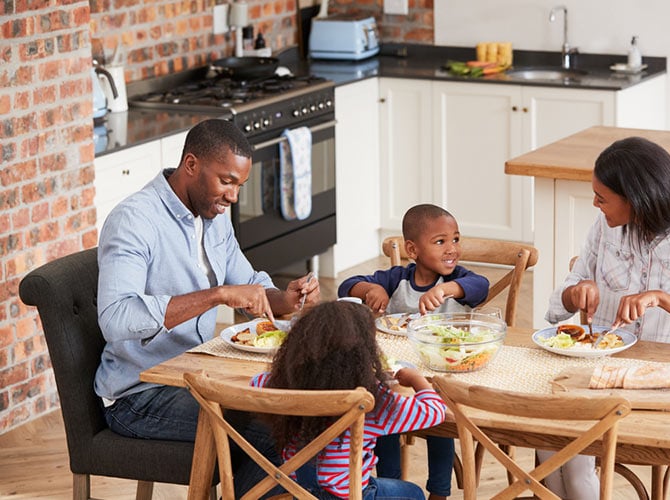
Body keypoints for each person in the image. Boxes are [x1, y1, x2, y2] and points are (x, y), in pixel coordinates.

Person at [95, 118, 320, 496]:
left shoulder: (214, 216)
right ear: (192, 165)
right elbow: (116, 319)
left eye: (239, 185)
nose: (233, 196)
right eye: (226, 181)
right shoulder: (134, 221)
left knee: (303, 412)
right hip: (140, 395)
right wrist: (217, 295)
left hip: (199, 373)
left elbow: (250, 287)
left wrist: (287, 298)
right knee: (280, 432)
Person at [541, 136, 670, 498]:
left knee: (568, 440)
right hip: (603, 370)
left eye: (602, 197)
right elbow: (557, 307)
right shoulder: (604, 225)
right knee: (547, 431)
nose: (595, 204)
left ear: (636, 199)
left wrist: (662, 299)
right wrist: (575, 292)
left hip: (668, 378)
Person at [337, 203, 490, 500]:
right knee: (383, 413)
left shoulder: (457, 278)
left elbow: (480, 285)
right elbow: (347, 286)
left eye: (456, 239)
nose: (452, 249)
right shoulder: (397, 279)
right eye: (440, 241)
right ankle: (390, 483)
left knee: (439, 422)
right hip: (396, 374)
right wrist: (370, 290)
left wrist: (447, 290)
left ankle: (439, 492)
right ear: (413, 249)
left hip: (441, 374)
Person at [251, 300, 446, 499]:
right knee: (413, 493)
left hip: (299, 492)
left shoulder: (280, 386)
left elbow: (256, 381)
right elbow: (435, 410)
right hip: (352, 495)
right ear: (364, 354)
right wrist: (416, 379)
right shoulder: (372, 401)